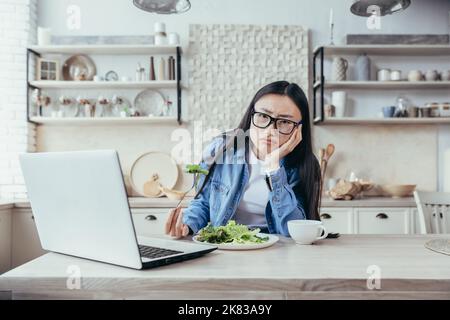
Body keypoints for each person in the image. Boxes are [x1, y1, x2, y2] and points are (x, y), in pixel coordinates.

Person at [165, 81, 321, 237]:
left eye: (285, 122)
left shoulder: (305, 166)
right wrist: (187, 224)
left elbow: (292, 231)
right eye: (262, 116)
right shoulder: (221, 149)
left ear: (299, 128)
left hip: (277, 250)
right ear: (251, 114)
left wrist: (274, 169)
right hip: (225, 245)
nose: (269, 130)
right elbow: (204, 202)